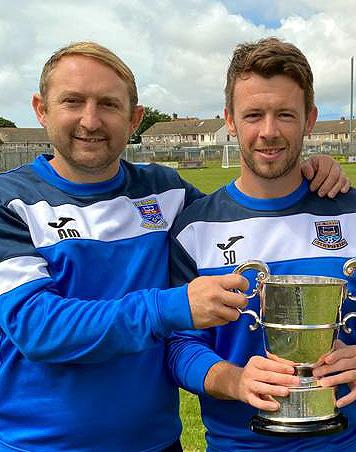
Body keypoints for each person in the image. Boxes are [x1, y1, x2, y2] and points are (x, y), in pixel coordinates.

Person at [0, 40, 348, 451]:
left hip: (156, 443)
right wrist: (174, 308)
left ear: (135, 118)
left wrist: (316, 175)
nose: (90, 121)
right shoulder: (11, 201)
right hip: (39, 444)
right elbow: (38, 327)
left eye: (109, 105)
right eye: (73, 101)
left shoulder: (167, 194)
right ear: (41, 109)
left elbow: (252, 212)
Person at [168, 37, 356, 451]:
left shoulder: (350, 212)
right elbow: (179, 345)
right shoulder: (194, 228)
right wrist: (234, 380)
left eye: (285, 115)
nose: (268, 132)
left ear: (309, 120)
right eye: (253, 115)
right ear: (230, 120)